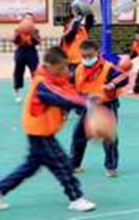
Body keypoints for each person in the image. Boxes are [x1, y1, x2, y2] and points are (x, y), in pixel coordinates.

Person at [0, 47, 97, 212]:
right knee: (62, 165)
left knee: (30, 166)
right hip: (40, 132)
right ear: (49, 66)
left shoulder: (53, 80)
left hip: (41, 131)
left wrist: (86, 98)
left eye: (66, 67)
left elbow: (68, 93)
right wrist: (84, 102)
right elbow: (60, 98)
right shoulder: (43, 83)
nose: (65, 71)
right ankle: (76, 198)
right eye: (61, 68)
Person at [70, 40, 129, 178]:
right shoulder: (78, 69)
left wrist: (112, 85)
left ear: (97, 52)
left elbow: (123, 77)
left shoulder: (108, 67)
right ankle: (74, 164)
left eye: (89, 56)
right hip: (89, 105)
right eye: (84, 56)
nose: (86, 59)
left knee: (109, 137)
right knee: (78, 135)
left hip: (107, 105)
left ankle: (111, 167)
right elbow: (70, 84)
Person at [12, 13, 41, 103]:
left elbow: (39, 41)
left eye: (30, 18)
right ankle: (17, 91)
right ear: (23, 20)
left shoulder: (35, 30)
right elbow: (14, 40)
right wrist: (18, 35)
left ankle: (37, 92)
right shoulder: (18, 29)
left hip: (31, 51)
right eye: (27, 18)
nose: (28, 20)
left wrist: (32, 37)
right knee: (18, 71)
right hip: (21, 51)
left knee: (35, 71)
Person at [61, 7, 94, 73]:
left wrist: (89, 12)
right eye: (71, 23)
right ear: (66, 25)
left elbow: (89, 22)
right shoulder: (66, 35)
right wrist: (77, 18)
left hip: (85, 62)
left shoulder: (82, 30)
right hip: (73, 64)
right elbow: (73, 31)